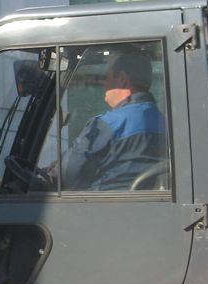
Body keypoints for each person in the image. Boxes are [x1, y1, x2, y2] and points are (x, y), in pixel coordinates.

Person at [58, 47, 168, 191]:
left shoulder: (107, 125)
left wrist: (57, 168)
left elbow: (70, 174)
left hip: (106, 202)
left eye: (107, 77)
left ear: (122, 79)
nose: (104, 83)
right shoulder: (165, 123)